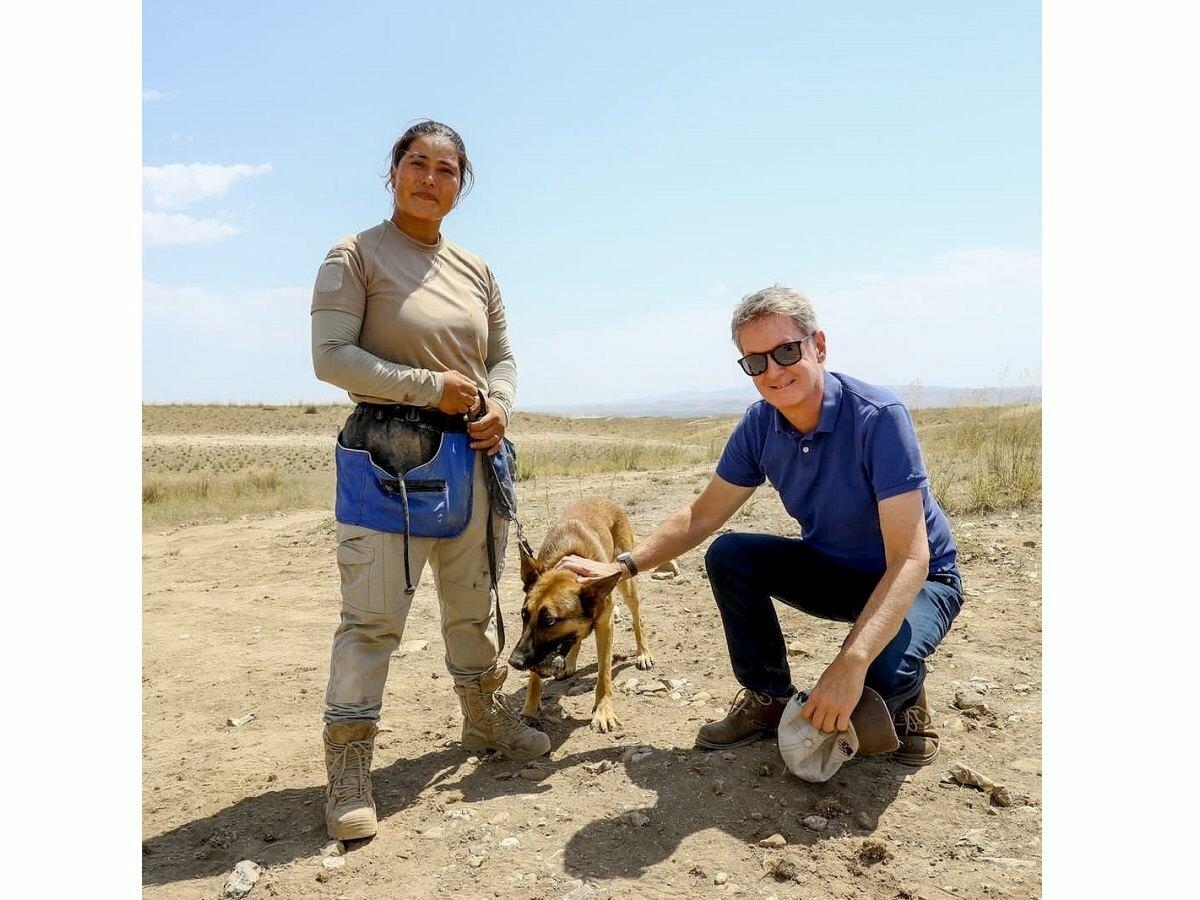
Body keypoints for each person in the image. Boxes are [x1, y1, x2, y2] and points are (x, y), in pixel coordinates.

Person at [559, 285, 964, 768]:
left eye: (786, 351)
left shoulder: (878, 418)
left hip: (918, 582)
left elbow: (910, 559)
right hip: (836, 572)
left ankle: (906, 701)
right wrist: (621, 568)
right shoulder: (759, 426)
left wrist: (848, 665)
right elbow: (700, 516)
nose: (773, 371)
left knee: (879, 677)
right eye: (756, 362)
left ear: (818, 346)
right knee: (730, 555)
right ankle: (769, 699)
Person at [310, 120, 549, 843]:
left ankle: (483, 718)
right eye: (417, 163)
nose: (430, 178)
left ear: (461, 184)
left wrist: (499, 406)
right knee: (373, 621)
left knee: (471, 609)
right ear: (393, 173)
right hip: (388, 462)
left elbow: (502, 358)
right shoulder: (354, 256)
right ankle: (350, 766)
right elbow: (332, 358)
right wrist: (426, 388)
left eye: (447, 169)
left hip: (473, 460)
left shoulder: (477, 269)